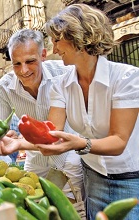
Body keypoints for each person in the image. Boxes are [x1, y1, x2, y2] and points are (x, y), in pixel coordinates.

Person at [28, 4, 139, 219]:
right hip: (93, 178)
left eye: (57, 40)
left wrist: (81, 144)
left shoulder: (127, 78)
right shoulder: (62, 84)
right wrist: (17, 142)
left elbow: (118, 141)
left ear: (79, 39)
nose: (54, 49)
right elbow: (52, 132)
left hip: (132, 181)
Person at [0, 28, 84, 199]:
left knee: (71, 210)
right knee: (32, 206)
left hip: (68, 156)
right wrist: (1, 139)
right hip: (36, 160)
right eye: (16, 63)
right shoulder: (3, 88)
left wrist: (18, 144)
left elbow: (54, 134)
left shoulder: (64, 73)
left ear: (43, 55)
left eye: (30, 61)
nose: (23, 70)